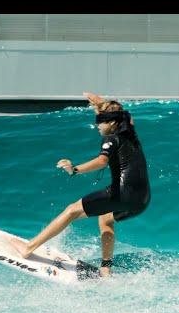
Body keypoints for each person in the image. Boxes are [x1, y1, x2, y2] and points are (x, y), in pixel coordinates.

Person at [10, 92, 151, 277]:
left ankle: (29, 247)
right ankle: (106, 268)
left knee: (71, 210)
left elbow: (102, 161)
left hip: (122, 193)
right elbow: (126, 115)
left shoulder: (110, 138)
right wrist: (100, 104)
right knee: (105, 218)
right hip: (142, 199)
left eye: (101, 121)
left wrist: (75, 170)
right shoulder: (132, 134)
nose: (97, 125)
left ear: (113, 123)